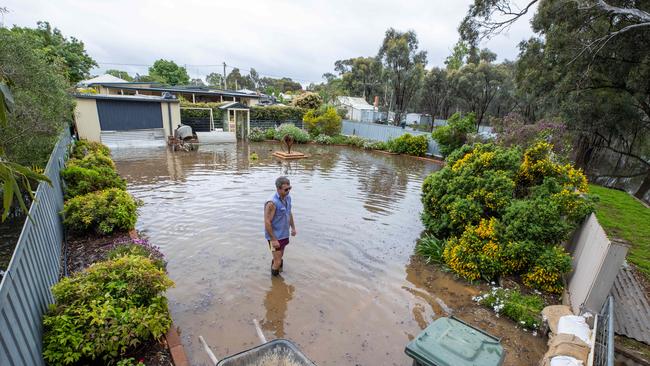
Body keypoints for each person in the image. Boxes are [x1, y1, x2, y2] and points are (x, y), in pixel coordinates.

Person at [264, 176, 296, 276]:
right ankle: (275, 283)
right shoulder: (272, 203)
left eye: (289, 188)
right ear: (278, 189)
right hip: (275, 236)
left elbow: (289, 213)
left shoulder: (288, 198)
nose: (288, 191)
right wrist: (273, 239)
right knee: (278, 261)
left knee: (279, 257)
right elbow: (267, 222)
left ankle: (278, 272)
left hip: (284, 234)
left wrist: (293, 228)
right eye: (286, 189)